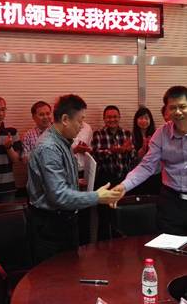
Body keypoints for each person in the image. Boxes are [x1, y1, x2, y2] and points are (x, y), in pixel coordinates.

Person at [113, 86, 187, 239]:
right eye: (172, 108)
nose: (178, 112)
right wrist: (123, 186)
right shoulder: (160, 134)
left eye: (182, 106)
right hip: (171, 201)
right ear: (167, 110)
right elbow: (147, 166)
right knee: (168, 249)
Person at [27, 94, 122, 263]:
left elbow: (53, 179)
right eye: (80, 120)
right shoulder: (49, 147)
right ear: (65, 119)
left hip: (63, 219)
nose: (82, 126)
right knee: (55, 273)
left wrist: (74, 181)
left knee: (70, 268)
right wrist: (97, 197)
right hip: (51, 223)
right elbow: (58, 195)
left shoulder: (62, 140)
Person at [92, 105, 135, 240]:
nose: (112, 119)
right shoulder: (98, 134)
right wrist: (114, 151)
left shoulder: (127, 133)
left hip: (123, 179)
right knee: (104, 215)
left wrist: (128, 151)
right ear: (104, 119)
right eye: (109, 117)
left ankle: (122, 244)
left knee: (121, 214)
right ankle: (102, 245)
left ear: (119, 117)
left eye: (115, 116)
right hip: (105, 180)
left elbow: (133, 156)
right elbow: (96, 155)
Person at [129, 106, 161, 195]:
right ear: (136, 120)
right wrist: (141, 151)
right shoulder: (131, 136)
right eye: (140, 118)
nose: (143, 121)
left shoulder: (157, 135)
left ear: (150, 120)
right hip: (138, 174)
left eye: (146, 118)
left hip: (154, 174)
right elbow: (131, 160)